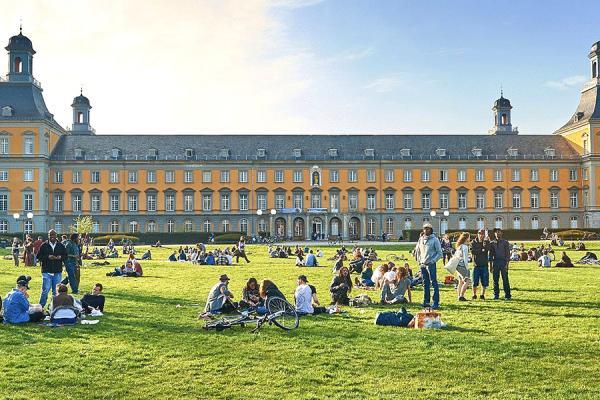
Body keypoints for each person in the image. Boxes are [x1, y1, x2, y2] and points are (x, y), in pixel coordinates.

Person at [414, 223, 443, 309]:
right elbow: (417, 250)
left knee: (433, 282)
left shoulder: (435, 240)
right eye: (424, 229)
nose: (426, 230)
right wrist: (419, 260)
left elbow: (439, 253)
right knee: (425, 283)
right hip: (422, 264)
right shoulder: (421, 239)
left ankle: (435, 302)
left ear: (431, 230)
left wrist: (433, 261)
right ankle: (426, 301)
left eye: (428, 229)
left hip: (431, 264)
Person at [37, 229, 67, 308]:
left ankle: (54, 306)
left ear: (56, 236)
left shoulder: (60, 245)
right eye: (50, 235)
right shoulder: (44, 245)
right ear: (48, 236)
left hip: (57, 271)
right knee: (45, 290)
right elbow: (39, 256)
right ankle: (41, 306)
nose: (52, 237)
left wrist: (61, 257)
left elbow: (65, 256)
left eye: (53, 235)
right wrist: (48, 257)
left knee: (56, 291)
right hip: (46, 271)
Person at [490, 228, 511, 300]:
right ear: (494, 234)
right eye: (496, 232)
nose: (497, 233)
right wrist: (490, 266)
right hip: (495, 263)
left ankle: (507, 295)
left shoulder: (505, 242)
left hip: (503, 262)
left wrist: (507, 265)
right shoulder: (492, 243)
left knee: (505, 279)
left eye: (499, 232)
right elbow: (490, 255)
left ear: (501, 233)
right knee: (495, 280)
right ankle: (496, 295)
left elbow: (508, 255)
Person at [471, 228, 490, 300]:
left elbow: (487, 249)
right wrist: (482, 250)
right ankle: (474, 294)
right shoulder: (473, 242)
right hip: (476, 265)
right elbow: (473, 251)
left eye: (482, 234)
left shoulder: (486, 241)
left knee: (484, 281)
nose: (481, 235)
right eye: (480, 234)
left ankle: (482, 295)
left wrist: (485, 241)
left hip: (484, 265)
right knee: (474, 281)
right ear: (477, 234)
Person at [454, 232, 472, 302]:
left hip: (457, 265)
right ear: (466, 238)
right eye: (469, 237)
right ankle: (461, 296)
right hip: (462, 265)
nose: (470, 239)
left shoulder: (459, 246)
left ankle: (459, 295)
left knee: (460, 281)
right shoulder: (465, 247)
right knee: (467, 281)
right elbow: (465, 259)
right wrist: (467, 268)